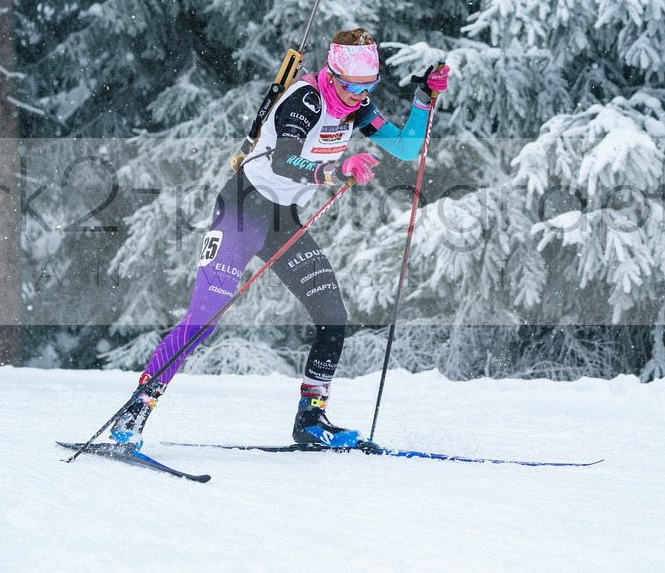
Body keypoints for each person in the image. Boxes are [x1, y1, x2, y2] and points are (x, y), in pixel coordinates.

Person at [111, 28, 450, 448]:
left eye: (368, 87)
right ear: (332, 73)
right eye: (349, 86)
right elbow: (284, 158)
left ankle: (311, 420)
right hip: (241, 208)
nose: (357, 97)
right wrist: (333, 171)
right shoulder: (306, 99)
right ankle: (134, 413)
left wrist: (422, 100)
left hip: (280, 221)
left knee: (333, 316)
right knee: (203, 318)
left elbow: (405, 146)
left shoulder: (356, 105)